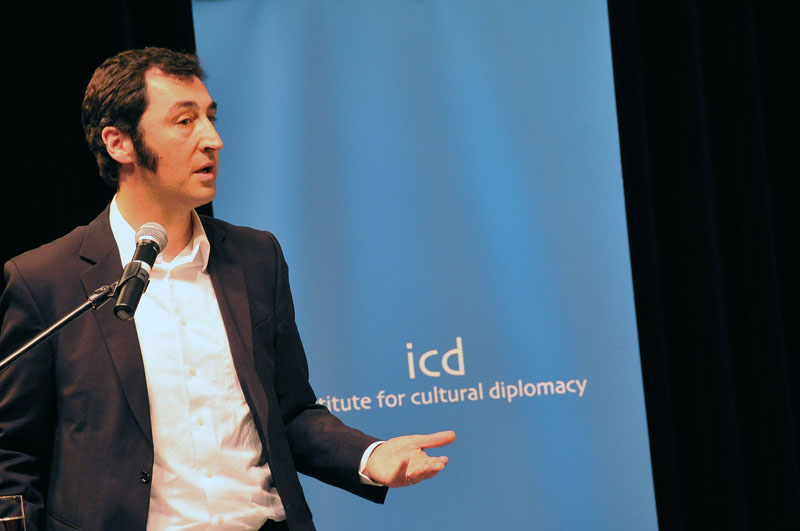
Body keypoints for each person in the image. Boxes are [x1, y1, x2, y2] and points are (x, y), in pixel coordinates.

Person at [0, 47, 455, 531]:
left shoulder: (256, 258)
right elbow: (12, 452)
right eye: (185, 121)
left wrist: (369, 455)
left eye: (211, 118)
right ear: (119, 143)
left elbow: (289, 412)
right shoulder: (47, 280)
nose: (213, 140)